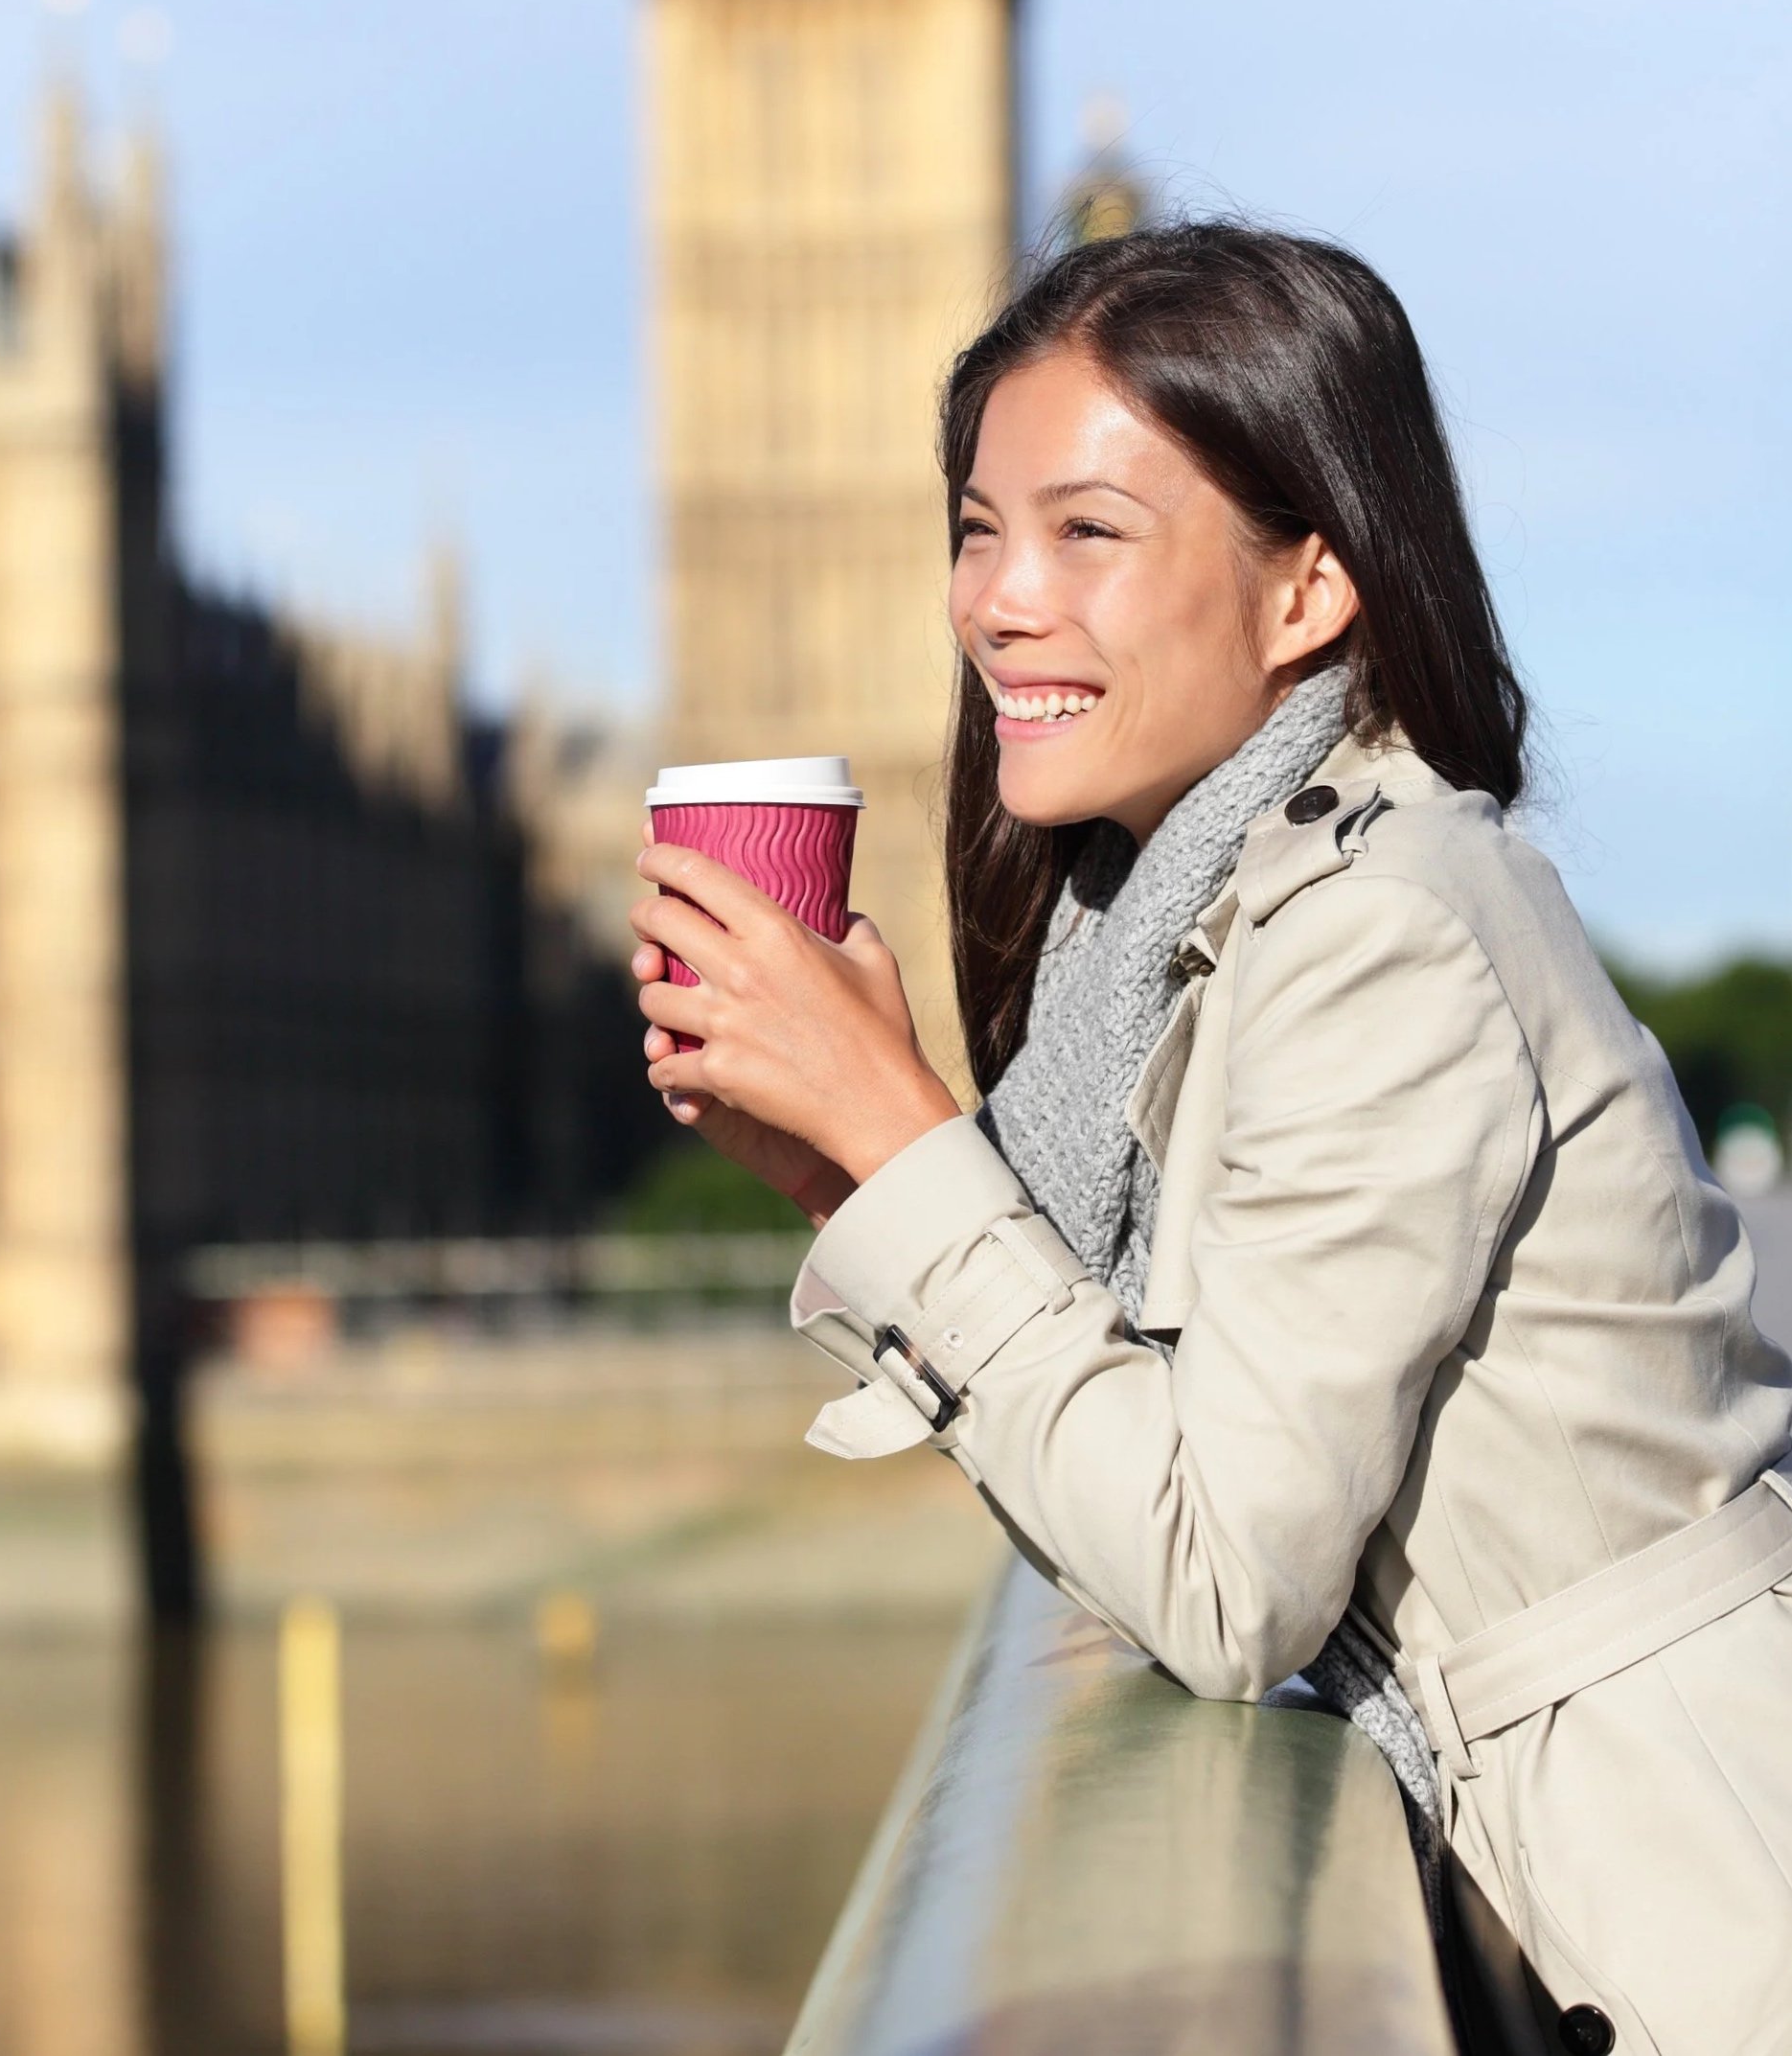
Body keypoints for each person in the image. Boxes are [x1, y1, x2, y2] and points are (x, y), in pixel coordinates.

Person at [634, 224, 1792, 2056]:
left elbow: (1222, 1576)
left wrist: (910, 1137)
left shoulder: (1375, 926)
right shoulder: (1190, 919)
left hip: (1697, 1918)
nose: (997, 600)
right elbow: (1127, 1470)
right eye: (974, 526)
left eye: (1088, 532)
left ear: (1305, 588)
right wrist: (850, 1168)